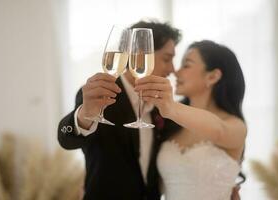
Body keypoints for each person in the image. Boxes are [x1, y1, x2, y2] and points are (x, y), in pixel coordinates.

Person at [57, 20, 182, 200]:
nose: (172, 69)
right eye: (167, 58)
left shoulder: (162, 104)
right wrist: (85, 114)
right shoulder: (98, 95)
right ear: (140, 54)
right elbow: (65, 138)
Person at [134, 40, 247, 200]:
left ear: (213, 76)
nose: (176, 72)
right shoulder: (170, 123)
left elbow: (217, 130)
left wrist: (170, 107)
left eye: (186, 65)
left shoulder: (235, 126)